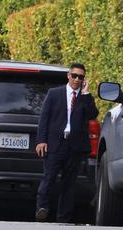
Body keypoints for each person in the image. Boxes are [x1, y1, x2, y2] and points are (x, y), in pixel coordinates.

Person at [35, 63, 98, 223]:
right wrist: (41, 140)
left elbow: (92, 114)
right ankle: (42, 208)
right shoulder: (54, 94)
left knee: (69, 183)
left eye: (81, 77)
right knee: (49, 177)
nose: (77, 79)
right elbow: (44, 118)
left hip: (74, 146)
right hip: (56, 144)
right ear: (68, 76)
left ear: (84, 79)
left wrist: (86, 94)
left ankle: (64, 218)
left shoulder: (84, 98)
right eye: (74, 75)